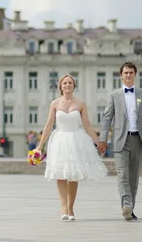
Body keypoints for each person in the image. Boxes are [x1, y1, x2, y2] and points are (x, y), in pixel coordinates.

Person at [36, 74, 108, 221]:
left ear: (74, 86)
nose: (67, 85)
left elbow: (87, 125)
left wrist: (99, 142)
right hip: (60, 140)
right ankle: (63, 208)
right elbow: (49, 125)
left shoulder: (80, 104)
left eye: (70, 83)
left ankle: (71, 208)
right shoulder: (55, 104)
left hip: (76, 140)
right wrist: (39, 146)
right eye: (65, 83)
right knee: (61, 175)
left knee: (73, 176)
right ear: (60, 86)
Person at [99, 62, 142, 221]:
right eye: (125, 73)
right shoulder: (114, 96)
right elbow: (107, 118)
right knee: (122, 175)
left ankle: (130, 207)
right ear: (121, 75)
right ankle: (126, 204)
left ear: (135, 74)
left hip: (138, 139)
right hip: (120, 140)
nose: (128, 75)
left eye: (131, 72)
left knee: (133, 176)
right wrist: (103, 139)